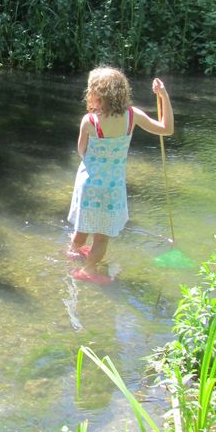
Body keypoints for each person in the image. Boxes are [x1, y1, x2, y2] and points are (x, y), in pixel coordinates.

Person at [67, 67, 173, 283]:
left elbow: (81, 150)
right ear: (122, 92)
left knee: (83, 224)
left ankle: (73, 251)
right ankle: (89, 269)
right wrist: (163, 96)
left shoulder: (89, 120)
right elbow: (166, 129)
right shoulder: (133, 116)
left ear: (96, 94)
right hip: (112, 187)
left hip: (88, 183)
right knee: (101, 237)